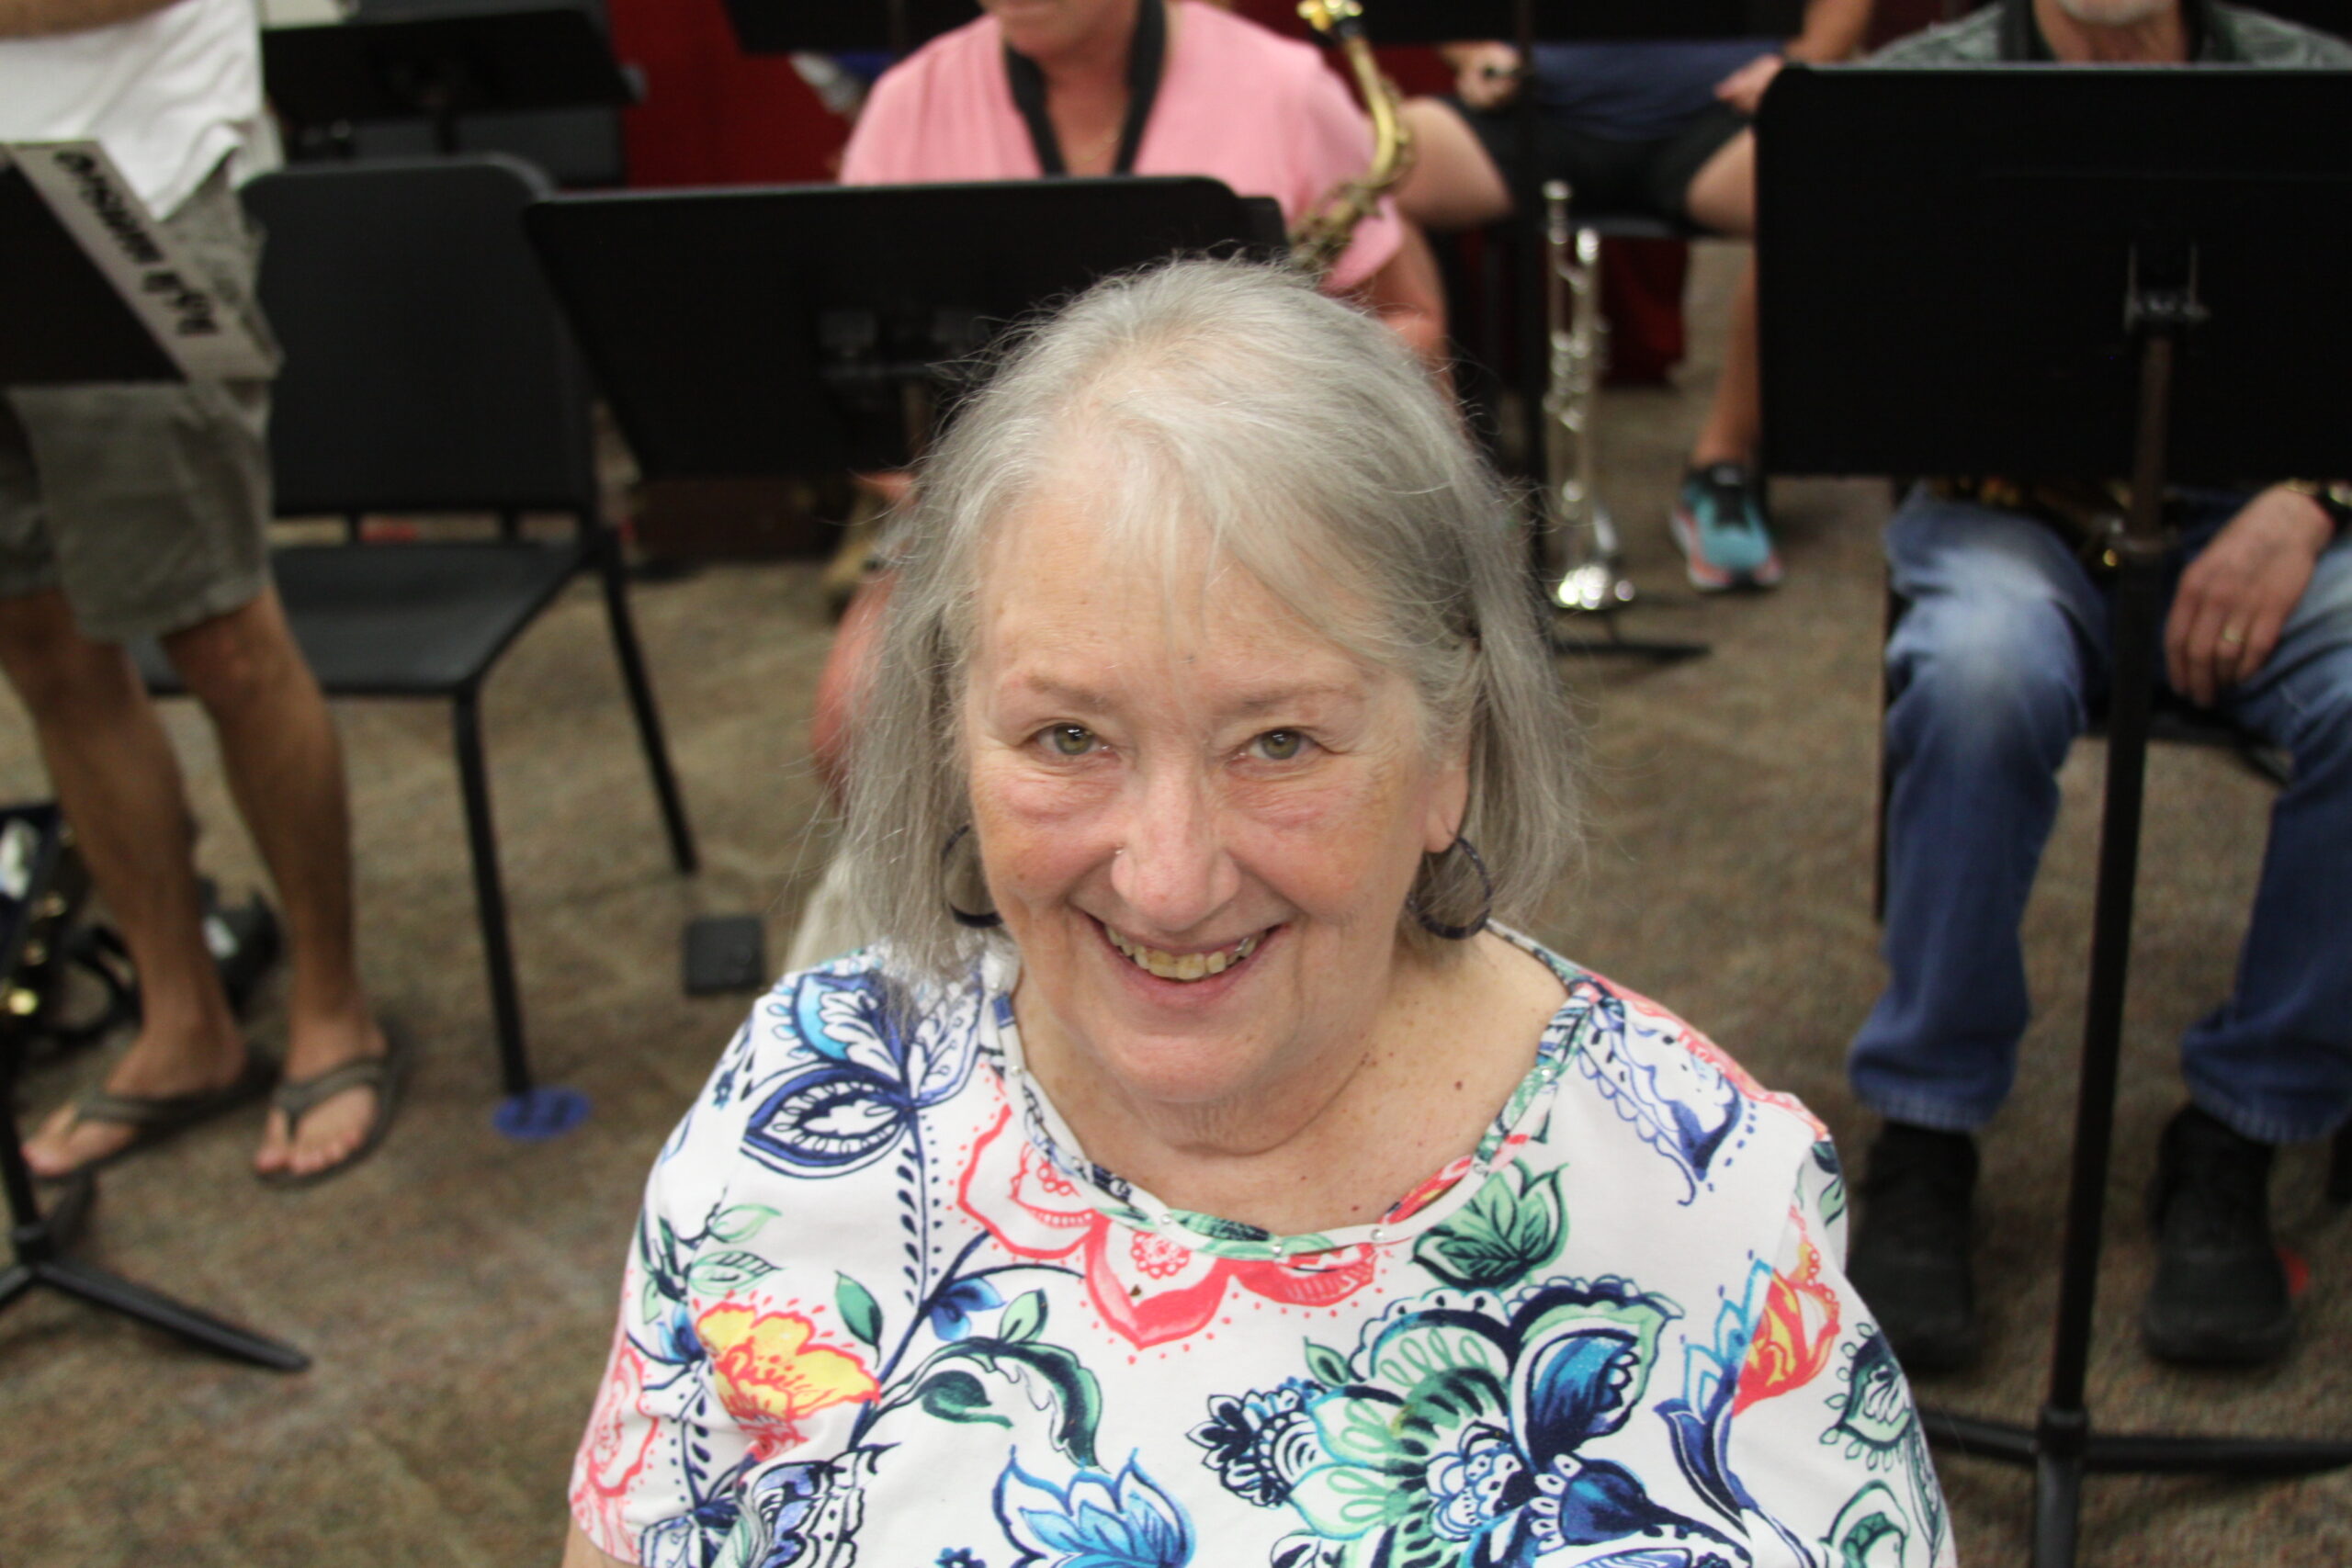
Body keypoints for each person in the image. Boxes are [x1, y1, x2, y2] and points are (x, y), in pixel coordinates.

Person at [560, 260, 1951, 1568]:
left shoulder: (1705, 1214)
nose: (1168, 880)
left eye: (1279, 741)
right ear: (948, 730)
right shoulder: (801, 1106)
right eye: (1066, 737)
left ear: (1451, 750)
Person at [1842, 0, 2352, 1379]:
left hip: (2269, 515)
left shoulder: (2317, 84)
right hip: (2014, 512)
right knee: (1978, 672)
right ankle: (1928, 1127)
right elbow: (1865, 362)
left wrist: (2310, 498)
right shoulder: (1917, 94)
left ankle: (2245, 1125)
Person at [1, 0, 396, 1184]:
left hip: (121, 195)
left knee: (220, 636)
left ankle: (334, 1007)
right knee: (39, 645)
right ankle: (183, 1024)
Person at [1390, 1, 1874, 592]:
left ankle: (1723, 467)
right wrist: (1474, 53)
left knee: (1820, 182)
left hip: (1718, 113)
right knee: (1374, 163)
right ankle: (1451, 491)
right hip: (1537, 107)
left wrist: (1800, 66)